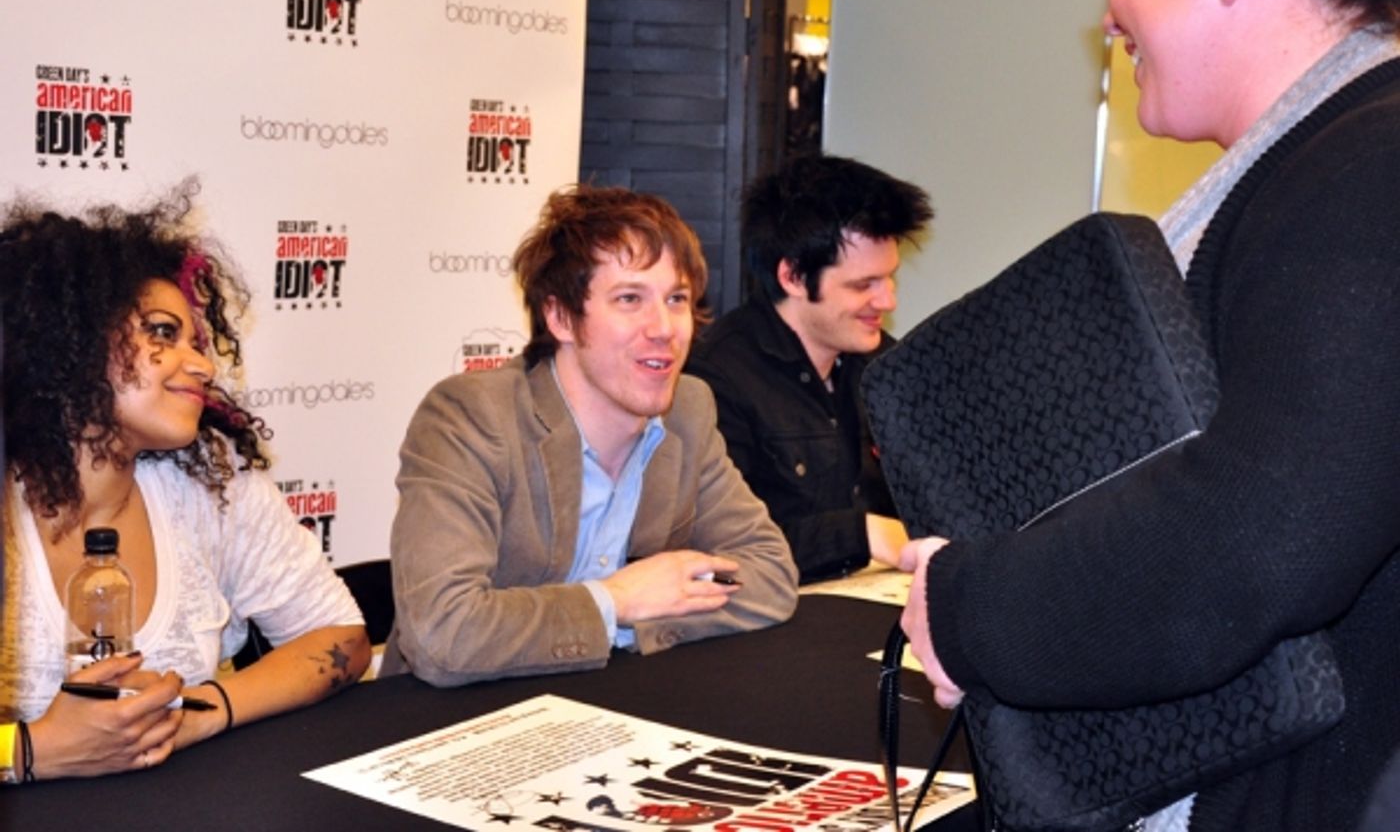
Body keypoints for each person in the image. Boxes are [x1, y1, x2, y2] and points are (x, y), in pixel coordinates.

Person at [900, 0, 1400, 830]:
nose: (1108, 8)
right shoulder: (1331, 161)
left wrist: (970, 608)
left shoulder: (1367, 171)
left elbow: (1258, 532)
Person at [0, 184, 369, 782]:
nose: (202, 365)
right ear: (67, 340)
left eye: (197, 342)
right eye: (164, 335)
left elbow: (342, 639)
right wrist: (31, 749)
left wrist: (203, 710)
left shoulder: (212, 486)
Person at [383, 185, 798, 686]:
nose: (664, 327)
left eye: (676, 299)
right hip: (453, 725)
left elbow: (769, 573)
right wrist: (618, 600)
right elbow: (443, 635)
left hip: (604, 711)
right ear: (559, 317)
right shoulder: (471, 417)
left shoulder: (689, 410)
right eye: (629, 299)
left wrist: (669, 596)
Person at [685, 155, 932, 582]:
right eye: (863, 285)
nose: (887, 301)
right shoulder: (714, 378)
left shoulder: (889, 368)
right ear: (794, 277)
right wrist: (863, 535)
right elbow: (715, 547)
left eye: (889, 278)